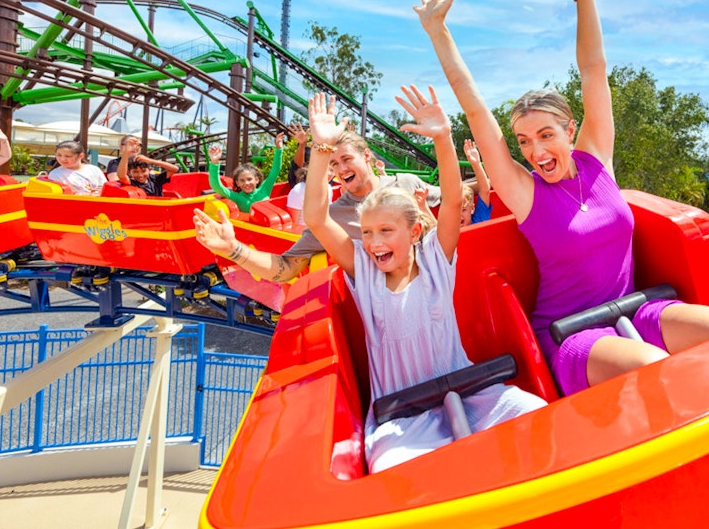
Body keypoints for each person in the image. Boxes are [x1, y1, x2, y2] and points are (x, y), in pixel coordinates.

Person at [415, 0, 709, 396]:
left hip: (634, 309)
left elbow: (594, 70)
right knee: (654, 368)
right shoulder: (526, 192)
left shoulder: (597, 162)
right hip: (571, 335)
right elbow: (475, 111)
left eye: (546, 135)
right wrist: (438, 32)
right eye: (525, 141)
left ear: (570, 130)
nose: (536, 151)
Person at [301, 87, 545, 472]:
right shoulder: (363, 270)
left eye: (385, 231)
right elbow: (316, 217)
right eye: (366, 233)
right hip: (401, 414)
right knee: (395, 470)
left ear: (414, 233)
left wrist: (444, 138)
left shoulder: (435, 257)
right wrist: (321, 147)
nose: (374, 243)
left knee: (537, 414)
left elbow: (451, 200)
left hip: (469, 395)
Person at [193, 130, 440, 285]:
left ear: (366, 156)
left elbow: (457, 199)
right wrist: (233, 248)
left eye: (346, 159)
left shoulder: (405, 183)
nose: (341, 169)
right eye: (334, 164)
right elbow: (286, 268)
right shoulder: (331, 217)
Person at [206, 133, 285, 213]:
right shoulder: (237, 197)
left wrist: (279, 149)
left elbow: (275, 170)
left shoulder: (264, 189)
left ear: (256, 180)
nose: (246, 183)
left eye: (249, 179)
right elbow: (217, 186)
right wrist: (214, 162)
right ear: (237, 183)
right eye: (242, 180)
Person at [115, 138, 180, 196]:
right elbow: (122, 176)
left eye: (143, 171)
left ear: (149, 169)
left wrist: (150, 161)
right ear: (129, 172)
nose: (140, 175)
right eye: (135, 172)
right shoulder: (132, 183)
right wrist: (127, 152)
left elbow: (175, 169)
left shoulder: (155, 179)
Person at [462, 139, 492, 225]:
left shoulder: (479, 219)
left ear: (472, 209)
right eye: (455, 211)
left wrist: (476, 164)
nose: (459, 215)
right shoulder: (447, 230)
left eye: (464, 210)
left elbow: (485, 190)